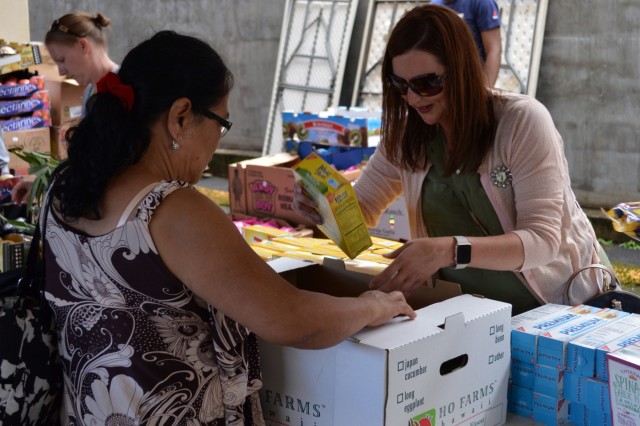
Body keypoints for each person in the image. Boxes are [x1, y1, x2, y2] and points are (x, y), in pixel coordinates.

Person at [42, 30, 415, 425]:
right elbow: (292, 319)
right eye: (220, 123)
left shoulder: (62, 190)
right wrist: (370, 306)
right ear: (180, 116)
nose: (217, 143)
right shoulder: (174, 210)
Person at [293, 4, 608, 316]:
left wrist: (449, 250)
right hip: (471, 318)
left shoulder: (521, 122)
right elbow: (361, 209)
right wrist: (323, 206)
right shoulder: (406, 137)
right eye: (400, 85)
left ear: (462, 69)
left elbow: (542, 242)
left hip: (560, 312)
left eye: (427, 83)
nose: (414, 98)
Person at [11, 11, 119, 204]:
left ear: (83, 45)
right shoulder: (89, 93)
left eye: (61, 60)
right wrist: (42, 182)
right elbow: (86, 159)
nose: (61, 71)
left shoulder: (122, 86)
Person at [430, 0, 502, 87]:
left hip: (473, 82)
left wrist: (486, 89)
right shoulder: (433, 6)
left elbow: (494, 49)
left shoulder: (481, 3)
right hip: (446, 84)